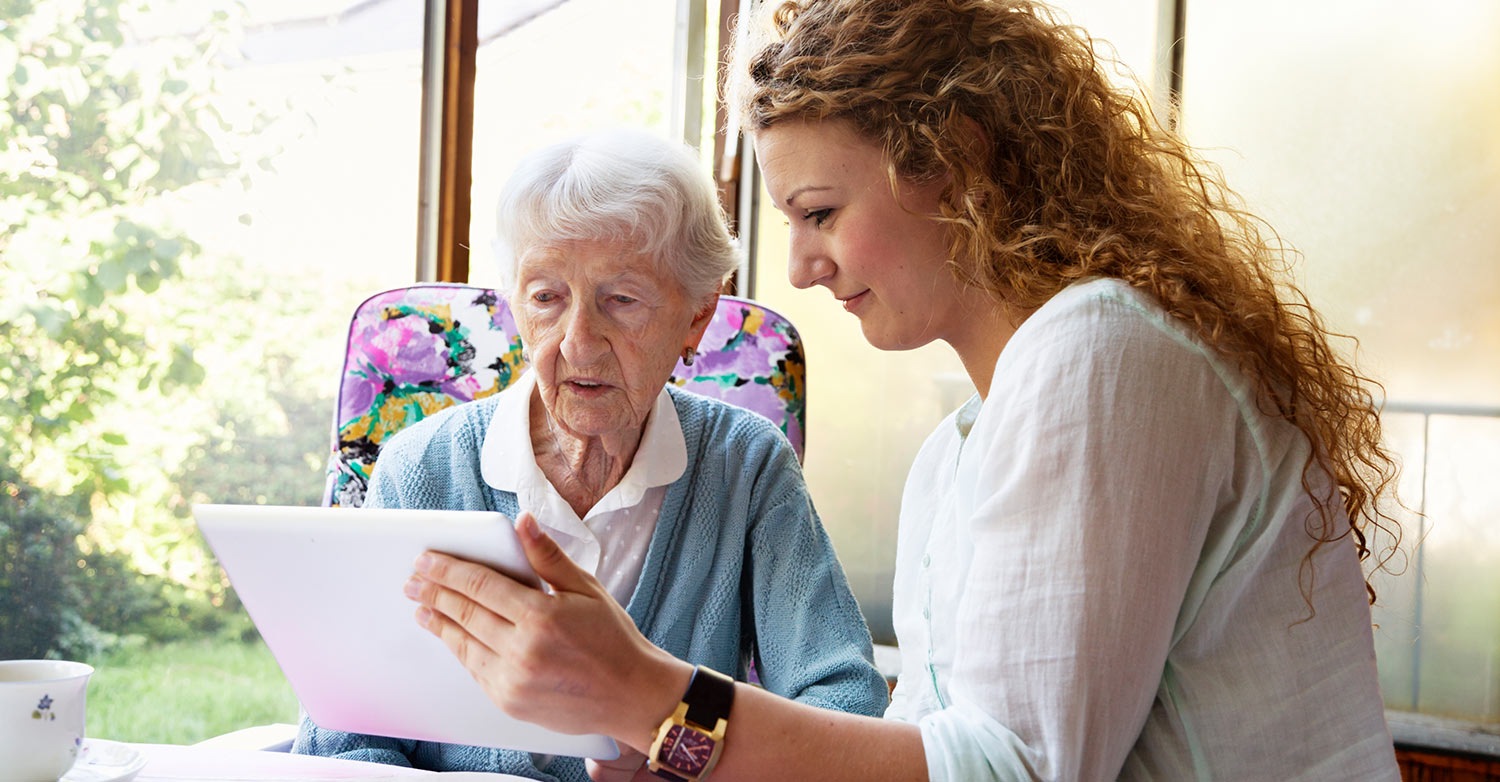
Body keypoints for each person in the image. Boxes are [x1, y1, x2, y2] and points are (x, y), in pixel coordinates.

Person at [399, 2, 1406, 780]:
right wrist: (662, 731)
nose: (800, 269)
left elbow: (1017, 770)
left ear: (953, 160)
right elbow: (926, 752)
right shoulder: (955, 457)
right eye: (545, 295)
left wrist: (651, 697)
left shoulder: (1100, 353)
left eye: (820, 211)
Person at [291, 129, 890, 781]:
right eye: (546, 298)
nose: (578, 343)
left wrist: (679, 751)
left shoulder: (745, 466)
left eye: (622, 300)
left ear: (697, 315)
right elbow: (344, 737)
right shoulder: (420, 470)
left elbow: (844, 704)